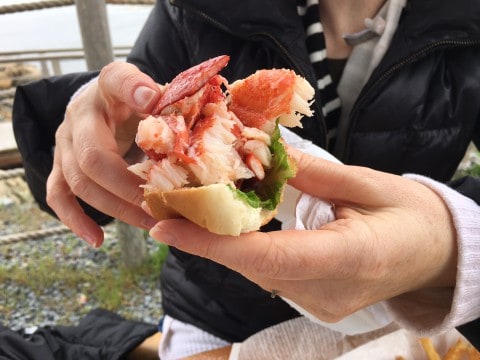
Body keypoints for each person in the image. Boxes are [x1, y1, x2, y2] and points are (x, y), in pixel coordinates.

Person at [11, 0, 480, 358]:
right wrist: (80, 124)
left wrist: (453, 245)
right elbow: (123, 128)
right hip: (217, 315)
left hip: (410, 304)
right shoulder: (192, 8)